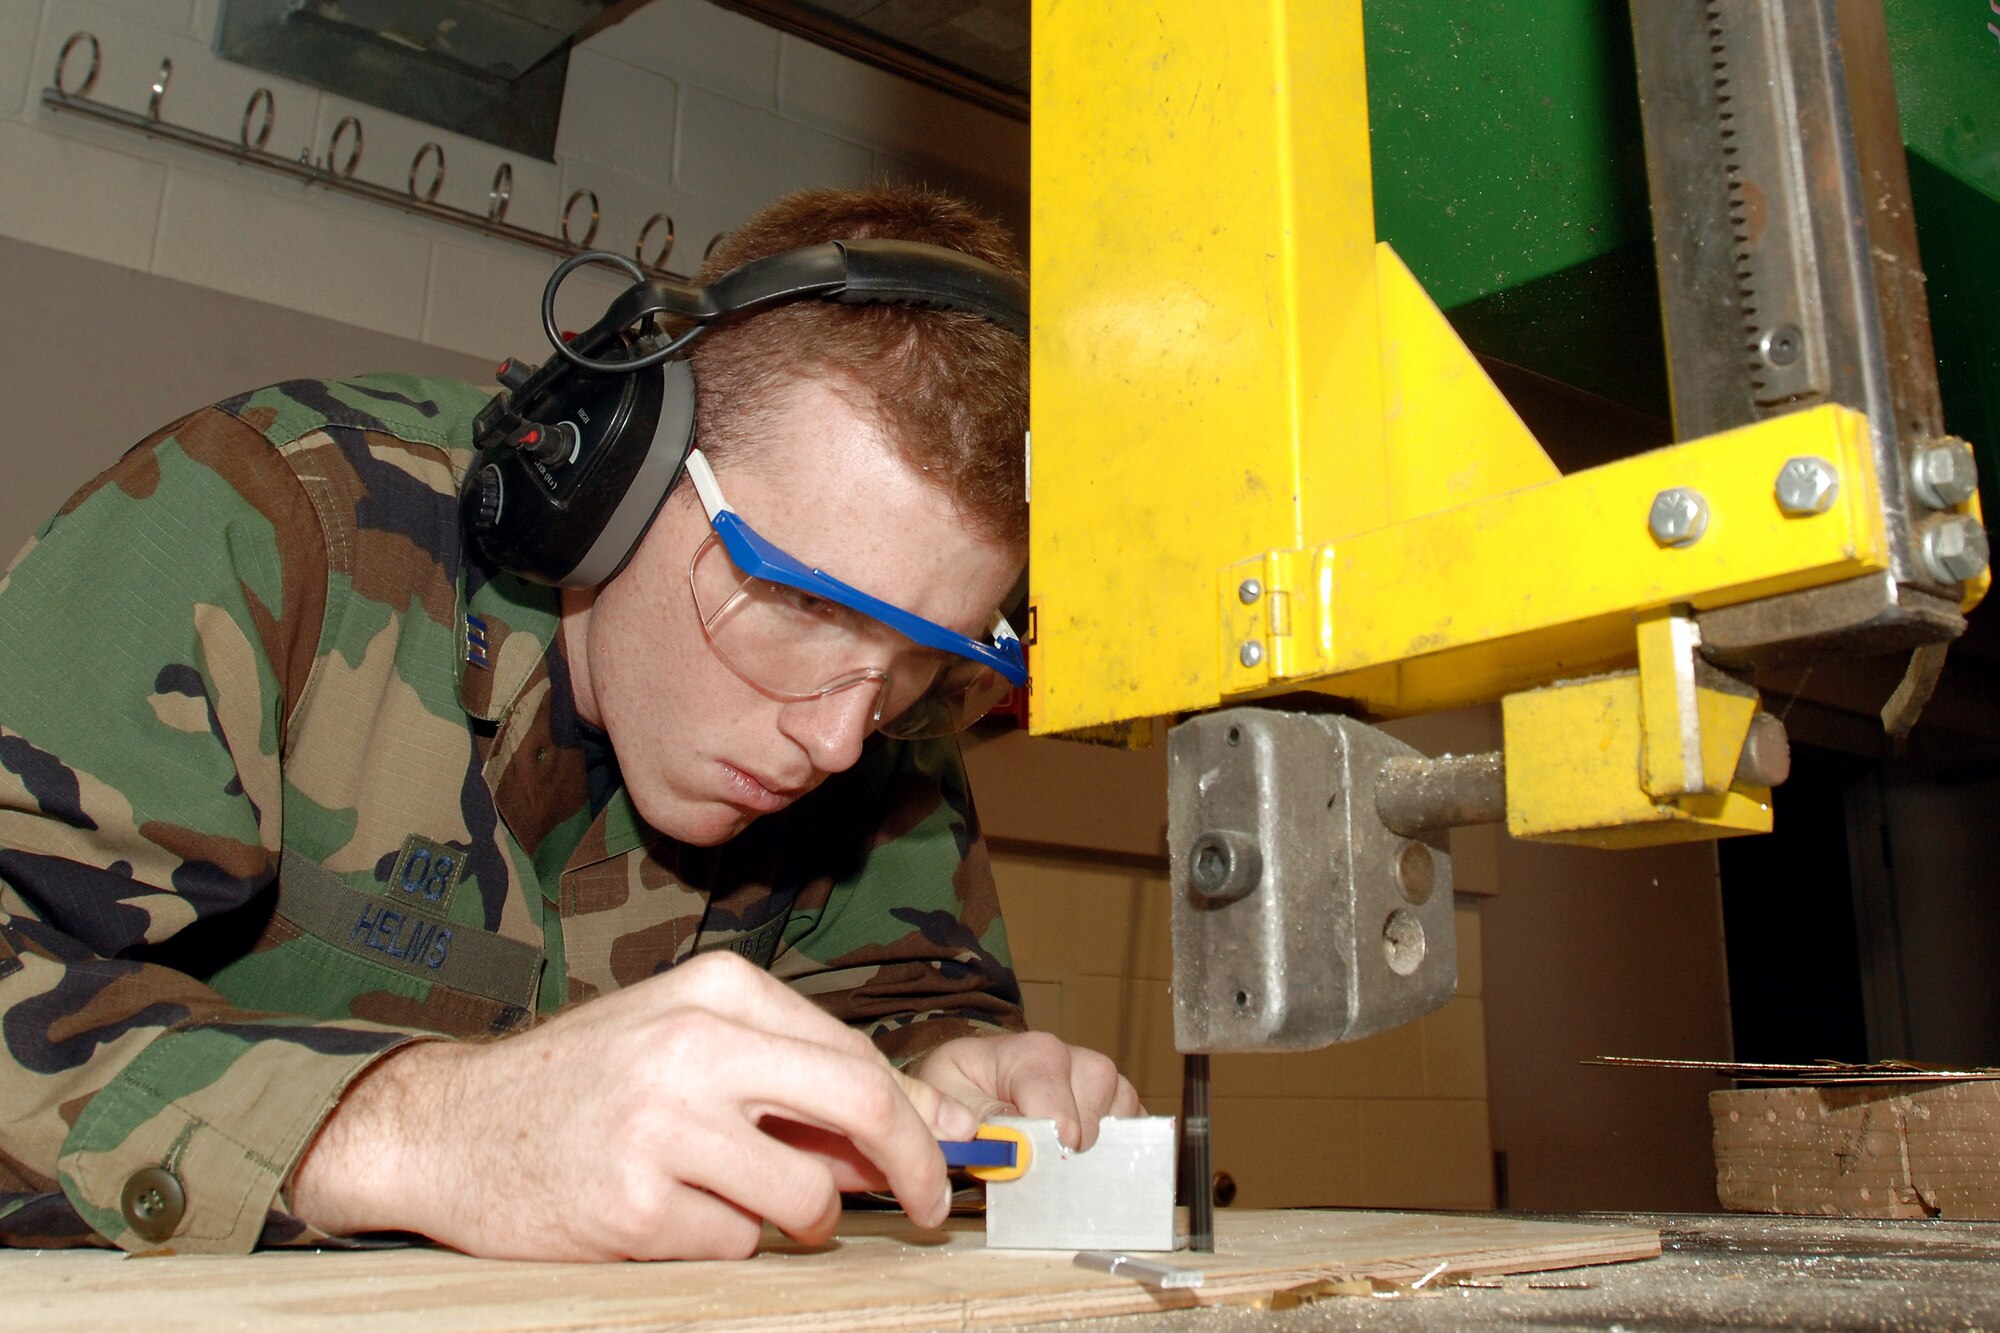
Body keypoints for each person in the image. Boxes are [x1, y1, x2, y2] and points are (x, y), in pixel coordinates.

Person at [0, 185, 1139, 1260]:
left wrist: (951, 1073)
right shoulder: (273, 526)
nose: (840, 741)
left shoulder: (878, 721)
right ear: (618, 475)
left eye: (918, 666)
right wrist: (413, 1129)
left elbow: (897, 1008)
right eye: (802, 604)